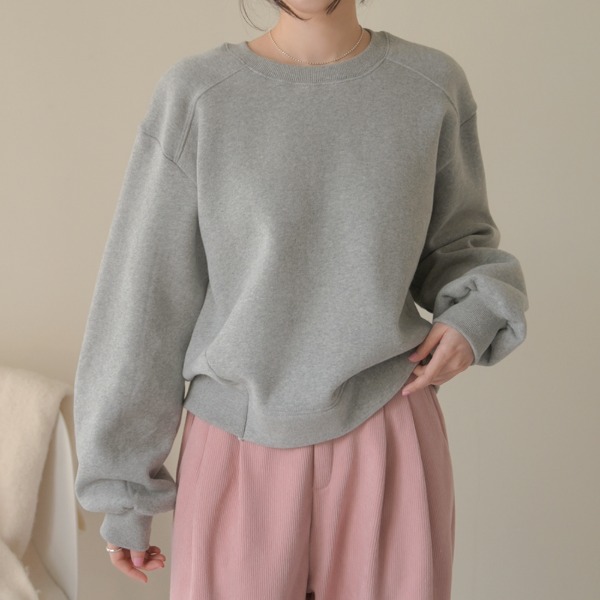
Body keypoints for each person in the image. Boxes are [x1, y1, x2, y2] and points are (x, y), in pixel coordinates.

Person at [73, 0, 529, 598]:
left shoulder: (429, 85)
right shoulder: (199, 94)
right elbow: (145, 297)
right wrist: (124, 491)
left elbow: (460, 245)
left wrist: (476, 313)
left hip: (387, 428)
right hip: (236, 440)